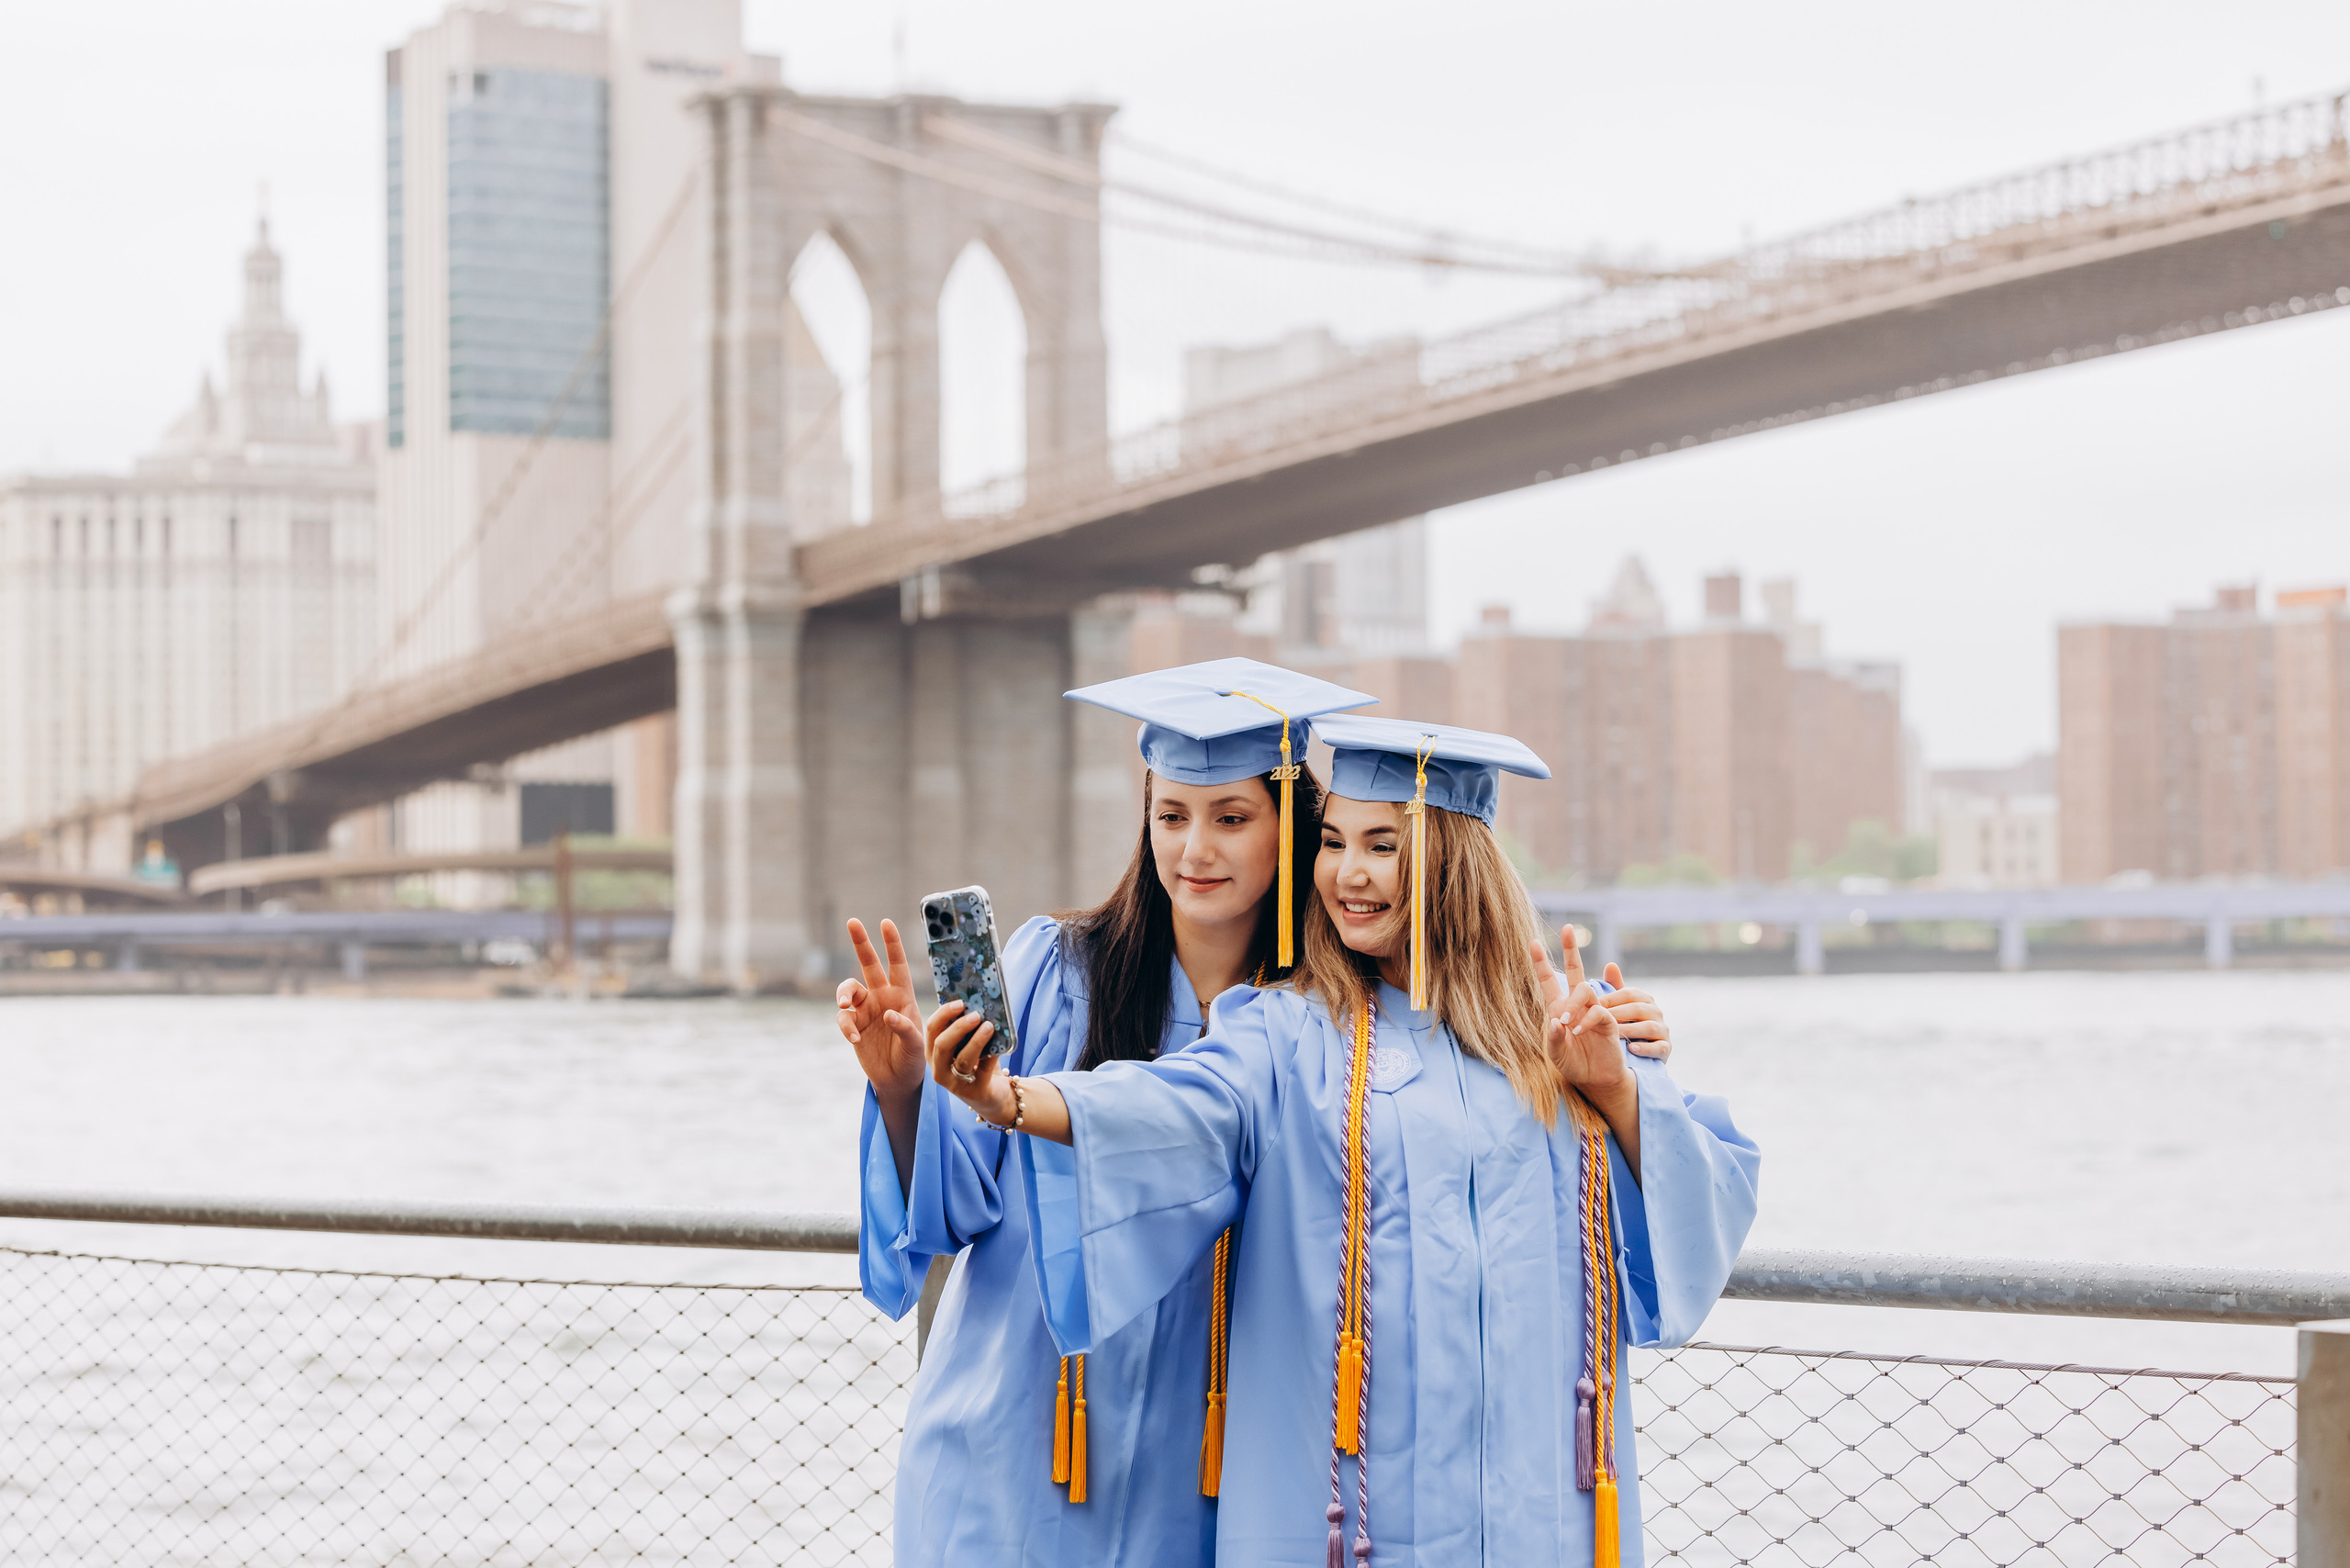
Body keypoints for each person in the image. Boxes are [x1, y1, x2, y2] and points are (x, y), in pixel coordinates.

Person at [925, 713, 1760, 1568]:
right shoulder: (1293, 1032)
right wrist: (1011, 1097)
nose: (1348, 873)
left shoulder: (1554, 1041)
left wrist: (1614, 1087)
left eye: (1383, 845)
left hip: (1535, 1511)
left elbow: (1696, 1223)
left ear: (1451, 862)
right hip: (1349, 1519)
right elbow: (1177, 1103)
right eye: (1332, 842)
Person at [835, 658, 1370, 1566]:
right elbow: (959, 1204)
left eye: (1230, 818)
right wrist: (904, 1088)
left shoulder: (1322, 1020)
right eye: (1171, 815)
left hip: (1200, 1468)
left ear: (1292, 829)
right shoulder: (1055, 968)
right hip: (1007, 1434)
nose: (1193, 849)